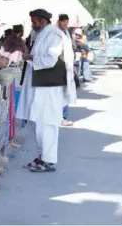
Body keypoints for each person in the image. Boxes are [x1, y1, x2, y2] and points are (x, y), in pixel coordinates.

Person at [16, 9, 75, 172]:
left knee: (47, 123)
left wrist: (30, 58)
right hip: (42, 84)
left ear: (43, 21)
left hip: (50, 87)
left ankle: (48, 160)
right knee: (38, 122)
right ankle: (43, 156)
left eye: (34, 21)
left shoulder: (54, 35)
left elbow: (50, 60)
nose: (32, 25)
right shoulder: (43, 34)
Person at [57, 14, 76, 126]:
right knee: (59, 93)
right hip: (59, 67)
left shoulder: (67, 33)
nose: (65, 24)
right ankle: (60, 117)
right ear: (59, 22)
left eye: (66, 22)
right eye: (63, 21)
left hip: (67, 67)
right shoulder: (56, 33)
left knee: (65, 92)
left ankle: (64, 117)